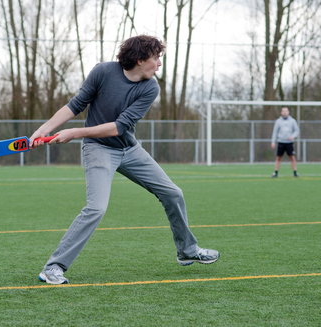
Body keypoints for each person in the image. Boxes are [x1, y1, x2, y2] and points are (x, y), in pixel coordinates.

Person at [30, 35, 219, 285]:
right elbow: (75, 105)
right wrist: (45, 128)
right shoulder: (103, 71)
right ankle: (54, 267)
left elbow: (119, 127)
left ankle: (187, 250)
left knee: (173, 193)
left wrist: (75, 132)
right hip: (98, 149)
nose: (159, 64)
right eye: (156, 58)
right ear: (140, 59)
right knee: (96, 208)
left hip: (129, 149)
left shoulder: (150, 88)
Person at [271, 107, 300, 178]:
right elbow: (275, 132)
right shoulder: (278, 121)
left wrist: (293, 136)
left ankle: (295, 172)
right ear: (281, 112)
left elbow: (297, 131)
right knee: (278, 158)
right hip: (281, 142)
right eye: (283, 111)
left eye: (286, 111)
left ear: (288, 112)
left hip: (289, 143)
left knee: (292, 158)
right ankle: (275, 172)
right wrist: (273, 142)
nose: (284, 112)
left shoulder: (292, 121)